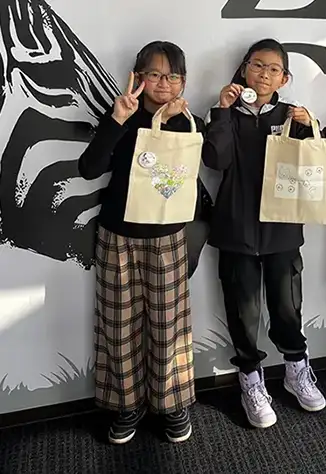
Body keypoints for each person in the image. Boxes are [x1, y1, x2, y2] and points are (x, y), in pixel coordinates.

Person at [78, 41, 203, 444]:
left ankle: (171, 403)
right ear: (138, 77)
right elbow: (89, 168)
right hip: (118, 234)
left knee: (168, 326)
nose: (164, 83)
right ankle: (126, 404)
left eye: (173, 76)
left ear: (183, 81)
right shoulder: (122, 115)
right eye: (154, 74)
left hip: (167, 237)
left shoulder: (189, 123)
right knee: (119, 325)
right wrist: (117, 119)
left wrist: (182, 119)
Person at [202, 38, 325, 428]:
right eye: (257, 65)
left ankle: (296, 369)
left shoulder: (291, 115)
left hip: (282, 229)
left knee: (287, 306)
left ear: (284, 78)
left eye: (274, 69)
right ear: (244, 69)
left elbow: (312, 170)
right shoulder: (224, 113)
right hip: (235, 228)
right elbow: (216, 160)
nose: (264, 74)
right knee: (244, 312)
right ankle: (251, 379)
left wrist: (308, 128)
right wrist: (222, 112)